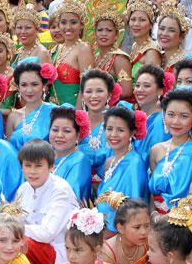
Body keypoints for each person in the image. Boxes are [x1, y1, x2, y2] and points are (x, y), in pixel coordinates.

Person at [16, 139, 79, 264]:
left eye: (38, 166)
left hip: (59, 255)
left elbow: (47, 234)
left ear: (51, 166)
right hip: (33, 250)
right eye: (27, 165)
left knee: (20, 243)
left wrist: (15, 230)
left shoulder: (60, 189)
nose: (32, 171)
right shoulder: (23, 189)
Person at [149, 87, 192, 218]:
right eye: (171, 114)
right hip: (155, 222)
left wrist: (172, 217)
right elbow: (150, 192)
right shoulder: (156, 150)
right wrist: (154, 215)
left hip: (183, 222)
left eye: (184, 116)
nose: (176, 121)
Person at [97, 105, 149, 235]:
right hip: (102, 230)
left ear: (132, 133)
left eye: (120, 130)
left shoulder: (134, 163)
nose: (114, 135)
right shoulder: (110, 162)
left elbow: (133, 209)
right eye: (109, 129)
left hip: (120, 235)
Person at [48, 0, 93, 107]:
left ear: (81, 25)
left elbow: (86, 86)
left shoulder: (83, 49)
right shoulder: (56, 49)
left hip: (71, 112)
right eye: (63, 22)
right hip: (52, 111)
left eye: (73, 22)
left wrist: (76, 115)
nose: (68, 27)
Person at [6, 61, 57, 149]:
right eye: (24, 85)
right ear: (18, 87)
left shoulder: (55, 112)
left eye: (34, 84)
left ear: (44, 85)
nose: (29, 90)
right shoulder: (13, 116)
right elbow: (9, 150)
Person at [49, 105, 92, 201]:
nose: (59, 135)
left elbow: (70, 198)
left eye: (67, 131)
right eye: (55, 130)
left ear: (78, 135)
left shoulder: (79, 160)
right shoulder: (45, 157)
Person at [77, 70, 116, 179]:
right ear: (83, 95)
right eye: (89, 91)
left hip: (110, 187)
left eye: (99, 91)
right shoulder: (75, 122)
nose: (94, 96)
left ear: (109, 94)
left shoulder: (118, 123)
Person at [91, 0, 132, 99]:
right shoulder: (95, 57)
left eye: (109, 30)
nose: (104, 34)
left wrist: (102, 95)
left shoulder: (119, 58)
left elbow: (126, 91)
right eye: (100, 30)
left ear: (117, 34)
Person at [126, 0, 163, 85]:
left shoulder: (151, 51)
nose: (136, 24)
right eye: (133, 19)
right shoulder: (135, 46)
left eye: (142, 20)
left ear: (151, 24)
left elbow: (151, 84)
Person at [157, 0, 191, 73]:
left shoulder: (185, 62)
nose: (164, 34)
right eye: (162, 28)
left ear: (182, 36)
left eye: (171, 30)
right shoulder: (158, 57)